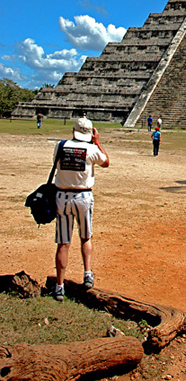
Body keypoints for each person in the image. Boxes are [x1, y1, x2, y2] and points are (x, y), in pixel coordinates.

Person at [52, 116, 110, 301]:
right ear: (91, 133)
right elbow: (106, 162)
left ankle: (59, 286)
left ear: (73, 131)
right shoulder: (92, 149)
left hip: (61, 197)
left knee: (63, 243)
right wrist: (98, 142)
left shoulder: (60, 146)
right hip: (83, 197)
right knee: (85, 237)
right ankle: (87, 273)